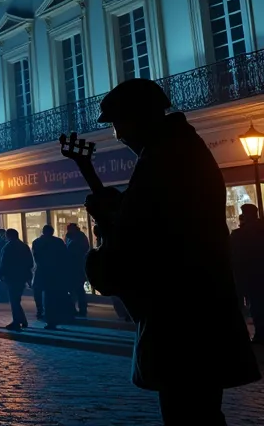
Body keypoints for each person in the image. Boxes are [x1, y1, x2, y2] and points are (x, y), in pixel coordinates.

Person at [85, 79, 259, 422]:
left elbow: (148, 237)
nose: (119, 136)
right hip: (194, 311)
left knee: (188, 412)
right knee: (198, 410)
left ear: (140, 118)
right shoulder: (176, 150)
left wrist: (106, 236)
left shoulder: (166, 156)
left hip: (183, 317)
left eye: (120, 125)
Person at [230, 205, 264, 342]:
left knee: (256, 306)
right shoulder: (261, 231)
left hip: (250, 275)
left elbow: (236, 257)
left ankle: (260, 334)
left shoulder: (239, 235)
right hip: (258, 273)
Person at [0, 228, 33, 331]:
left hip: (12, 277)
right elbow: (30, 263)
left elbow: (4, 262)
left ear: (9, 236)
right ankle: (22, 320)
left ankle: (17, 322)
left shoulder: (8, 247)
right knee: (16, 299)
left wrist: (0, 274)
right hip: (22, 276)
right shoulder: (24, 246)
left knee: (14, 300)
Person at [63, 223, 91, 318]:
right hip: (72, 267)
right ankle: (75, 309)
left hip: (77, 267)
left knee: (78, 289)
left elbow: (82, 250)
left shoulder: (79, 237)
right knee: (74, 289)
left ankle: (81, 309)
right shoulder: (70, 237)